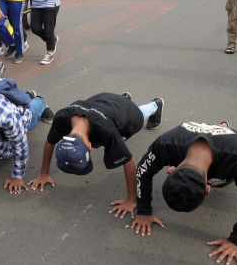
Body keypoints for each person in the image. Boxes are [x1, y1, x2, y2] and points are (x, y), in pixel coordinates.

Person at [131, 121, 237, 265]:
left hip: (234, 144)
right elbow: (143, 171)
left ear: (208, 186)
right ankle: (222, 128)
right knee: (219, 138)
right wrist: (144, 210)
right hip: (204, 139)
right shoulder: (166, 144)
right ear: (172, 169)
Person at [28, 93, 164, 220]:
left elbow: (129, 162)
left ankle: (155, 105)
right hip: (103, 101)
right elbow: (50, 141)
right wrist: (43, 173)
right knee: (112, 116)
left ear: (89, 146)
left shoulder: (106, 131)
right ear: (62, 139)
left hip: (125, 113)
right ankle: (124, 100)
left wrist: (131, 200)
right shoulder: (61, 118)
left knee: (133, 121)